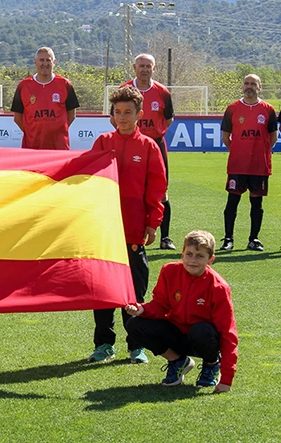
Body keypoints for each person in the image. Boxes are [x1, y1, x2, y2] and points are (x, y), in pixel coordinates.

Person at [88, 85, 167, 364]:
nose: (122, 117)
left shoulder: (148, 147)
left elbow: (157, 189)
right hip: (103, 229)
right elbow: (87, 179)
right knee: (102, 290)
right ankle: (103, 344)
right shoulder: (102, 142)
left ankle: (137, 345)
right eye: (118, 112)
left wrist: (153, 223)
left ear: (139, 115)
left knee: (133, 290)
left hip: (133, 228)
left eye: (128, 113)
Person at [125, 230, 237, 393]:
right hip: (177, 334)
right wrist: (141, 309)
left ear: (210, 259)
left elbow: (228, 333)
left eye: (200, 256)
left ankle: (211, 364)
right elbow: (160, 305)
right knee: (135, 324)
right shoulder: (169, 271)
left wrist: (227, 379)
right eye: (189, 254)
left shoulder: (219, 287)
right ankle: (178, 361)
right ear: (182, 254)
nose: (193, 260)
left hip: (203, 340)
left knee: (201, 330)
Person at [111, 54, 176, 250]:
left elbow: (168, 119)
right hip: (129, 143)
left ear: (154, 69)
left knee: (161, 191)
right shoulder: (124, 90)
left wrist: (150, 136)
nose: (144, 69)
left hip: (154, 144)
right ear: (134, 67)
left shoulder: (162, 92)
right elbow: (114, 118)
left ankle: (165, 237)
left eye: (148, 66)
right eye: (141, 66)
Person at [218, 74, 277, 252]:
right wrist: (238, 151)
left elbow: (272, 136)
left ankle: (254, 239)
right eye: (246, 83)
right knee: (232, 201)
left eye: (253, 84)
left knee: (257, 203)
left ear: (259, 87)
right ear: (242, 86)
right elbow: (225, 137)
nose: (249, 86)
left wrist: (262, 151)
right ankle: (228, 239)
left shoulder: (268, 109)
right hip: (238, 164)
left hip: (259, 165)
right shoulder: (232, 108)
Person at [10, 47, 80, 150]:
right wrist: (31, 132)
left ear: (54, 62)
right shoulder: (23, 85)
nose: (45, 63)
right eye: (41, 60)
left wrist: (58, 130)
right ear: (35, 62)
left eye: (48, 60)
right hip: (32, 145)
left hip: (59, 146)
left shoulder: (65, 84)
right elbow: (17, 118)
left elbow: (72, 114)